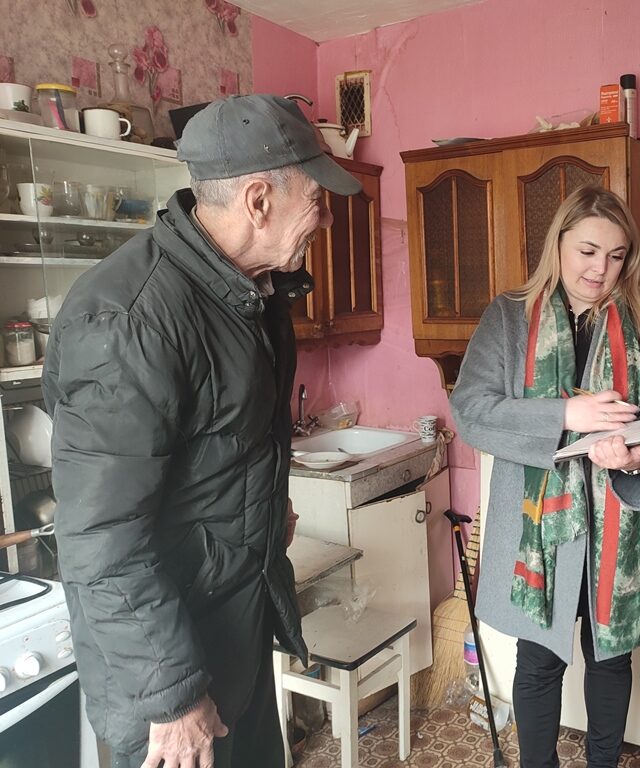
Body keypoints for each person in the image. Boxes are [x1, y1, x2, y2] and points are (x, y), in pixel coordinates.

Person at [42, 94, 363, 767]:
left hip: (233, 635)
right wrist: (174, 697)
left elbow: (227, 444)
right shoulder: (129, 321)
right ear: (258, 200)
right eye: (317, 200)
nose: (327, 218)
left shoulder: (250, 291)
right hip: (169, 680)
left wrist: (265, 508)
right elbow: (102, 537)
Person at [449, 185, 640, 767]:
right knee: (538, 663)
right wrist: (566, 415)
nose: (600, 270)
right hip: (540, 531)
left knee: (612, 659)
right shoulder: (508, 316)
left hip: (620, 524)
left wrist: (635, 459)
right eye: (587, 251)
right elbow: (472, 410)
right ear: (557, 244)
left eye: (615, 255)